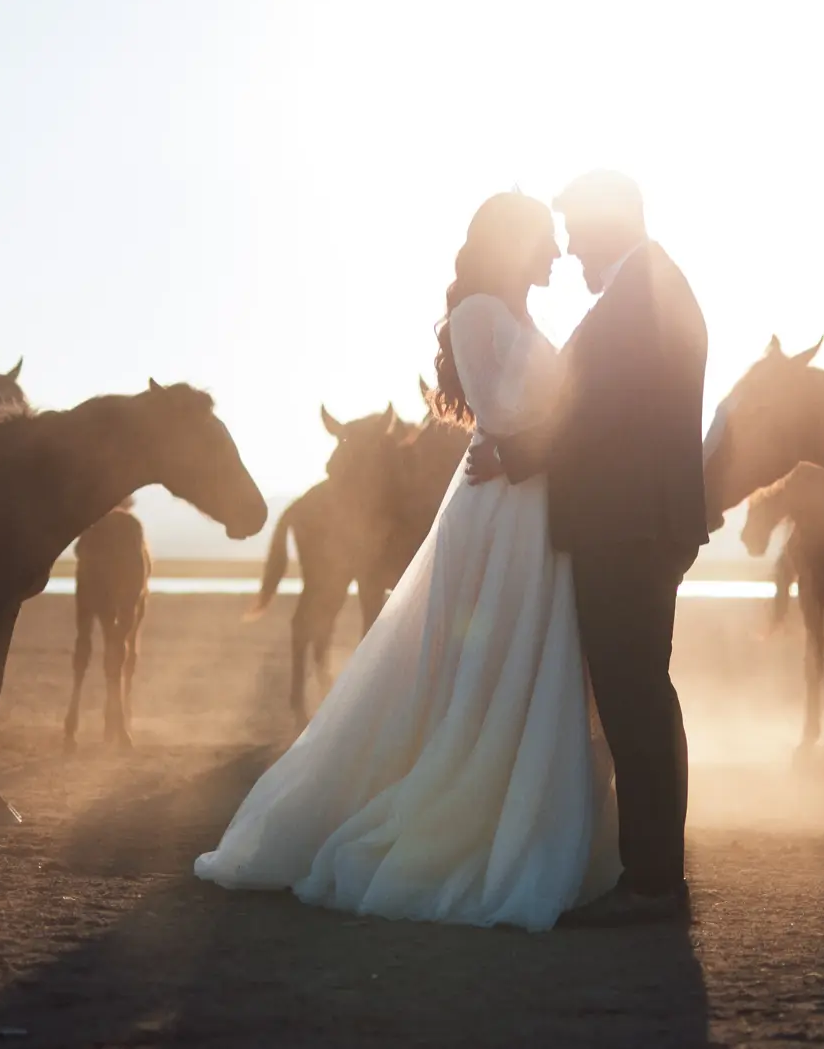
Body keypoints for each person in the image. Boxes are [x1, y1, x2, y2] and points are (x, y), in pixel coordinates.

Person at [193, 190, 620, 931]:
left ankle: (517, 802)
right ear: (513, 241)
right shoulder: (479, 313)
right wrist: (573, 423)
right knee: (490, 665)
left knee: (530, 661)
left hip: (533, 501)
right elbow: (512, 412)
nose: (556, 251)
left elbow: (539, 418)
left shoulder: (517, 317)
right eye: (545, 239)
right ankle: (461, 811)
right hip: (505, 511)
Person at [467, 169, 709, 926]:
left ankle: (651, 883)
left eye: (574, 232)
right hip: (640, 521)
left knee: (632, 697)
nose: (568, 252)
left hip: (627, 525)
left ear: (610, 223)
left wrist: (516, 456)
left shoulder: (642, 297)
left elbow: (598, 410)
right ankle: (658, 873)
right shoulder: (646, 289)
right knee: (645, 695)